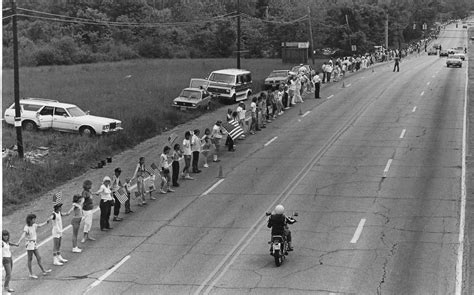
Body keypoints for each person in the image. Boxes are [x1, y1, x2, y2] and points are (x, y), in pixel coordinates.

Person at [17, 214, 52, 279]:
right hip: (29, 244)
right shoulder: (26, 227)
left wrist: (46, 222)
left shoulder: (34, 225)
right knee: (30, 259)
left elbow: (40, 225)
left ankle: (44, 271)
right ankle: (31, 273)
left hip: (34, 243)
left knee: (39, 257)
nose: (35, 220)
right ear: (30, 220)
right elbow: (23, 234)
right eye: (34, 219)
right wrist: (19, 241)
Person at [50, 193, 70, 263]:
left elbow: (62, 214)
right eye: (60, 207)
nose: (61, 208)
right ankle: (55, 259)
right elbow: (51, 217)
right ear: (57, 208)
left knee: (59, 244)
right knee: (55, 245)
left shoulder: (58, 213)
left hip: (60, 230)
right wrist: (48, 219)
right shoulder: (54, 214)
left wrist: (66, 214)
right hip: (56, 231)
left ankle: (59, 256)